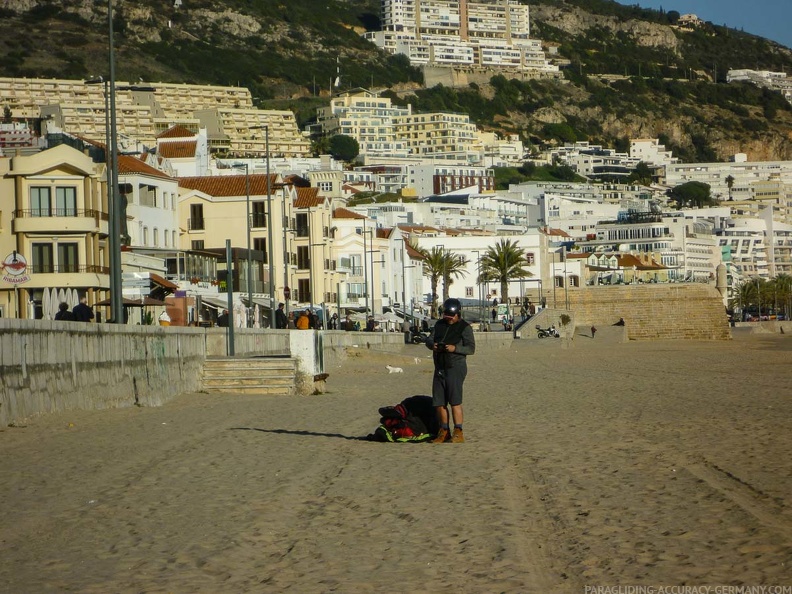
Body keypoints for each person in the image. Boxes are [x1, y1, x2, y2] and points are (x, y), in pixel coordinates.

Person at [425, 298, 475, 444]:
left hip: (456, 366)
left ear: (458, 314)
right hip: (440, 366)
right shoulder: (439, 325)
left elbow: (471, 349)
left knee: (455, 401)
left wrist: (455, 349)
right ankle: (444, 430)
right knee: (439, 402)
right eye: (446, 315)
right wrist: (432, 345)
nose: (449, 318)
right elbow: (429, 340)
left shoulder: (465, 327)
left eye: (451, 316)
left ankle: (458, 431)